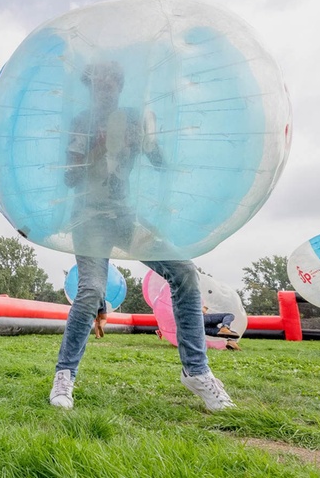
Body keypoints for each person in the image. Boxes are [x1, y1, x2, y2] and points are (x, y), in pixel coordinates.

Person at [50, 61, 235, 412]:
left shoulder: (134, 118)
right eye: (99, 84)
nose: (106, 89)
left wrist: (151, 138)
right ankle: (65, 375)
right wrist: (97, 148)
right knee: (90, 291)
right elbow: (70, 180)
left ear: (119, 86)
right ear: (91, 88)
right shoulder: (81, 124)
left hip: (123, 217)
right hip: (88, 220)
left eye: (113, 83)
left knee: (183, 271)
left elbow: (160, 163)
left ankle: (196, 372)